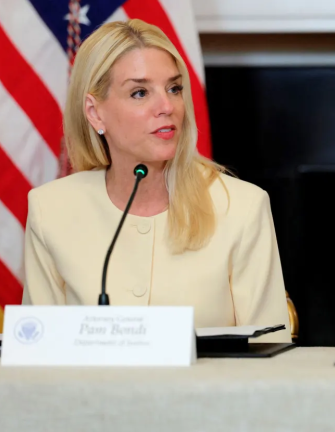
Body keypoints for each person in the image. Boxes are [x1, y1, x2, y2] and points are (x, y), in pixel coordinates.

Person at [22, 19, 290, 342]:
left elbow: (268, 355)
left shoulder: (242, 207)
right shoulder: (51, 210)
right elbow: (36, 351)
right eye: (140, 92)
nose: (167, 107)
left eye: (174, 89)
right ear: (94, 113)